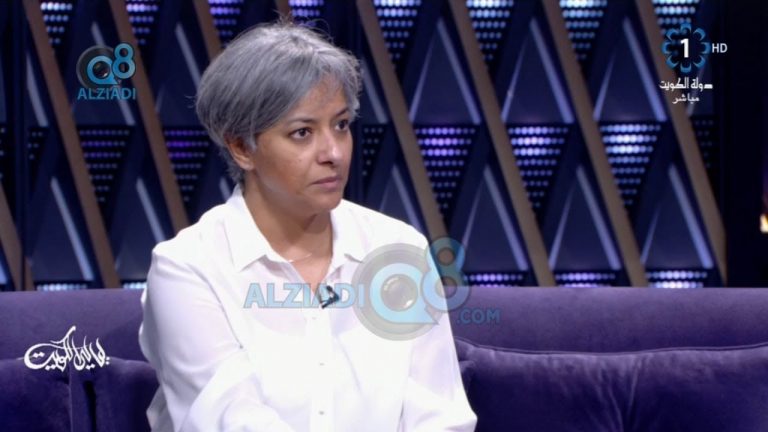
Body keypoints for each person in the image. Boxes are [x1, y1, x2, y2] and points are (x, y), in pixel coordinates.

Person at [139, 20, 476, 432]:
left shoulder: (397, 249)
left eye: (341, 125)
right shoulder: (188, 268)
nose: (334, 152)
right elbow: (231, 421)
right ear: (242, 147)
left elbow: (439, 417)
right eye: (302, 133)